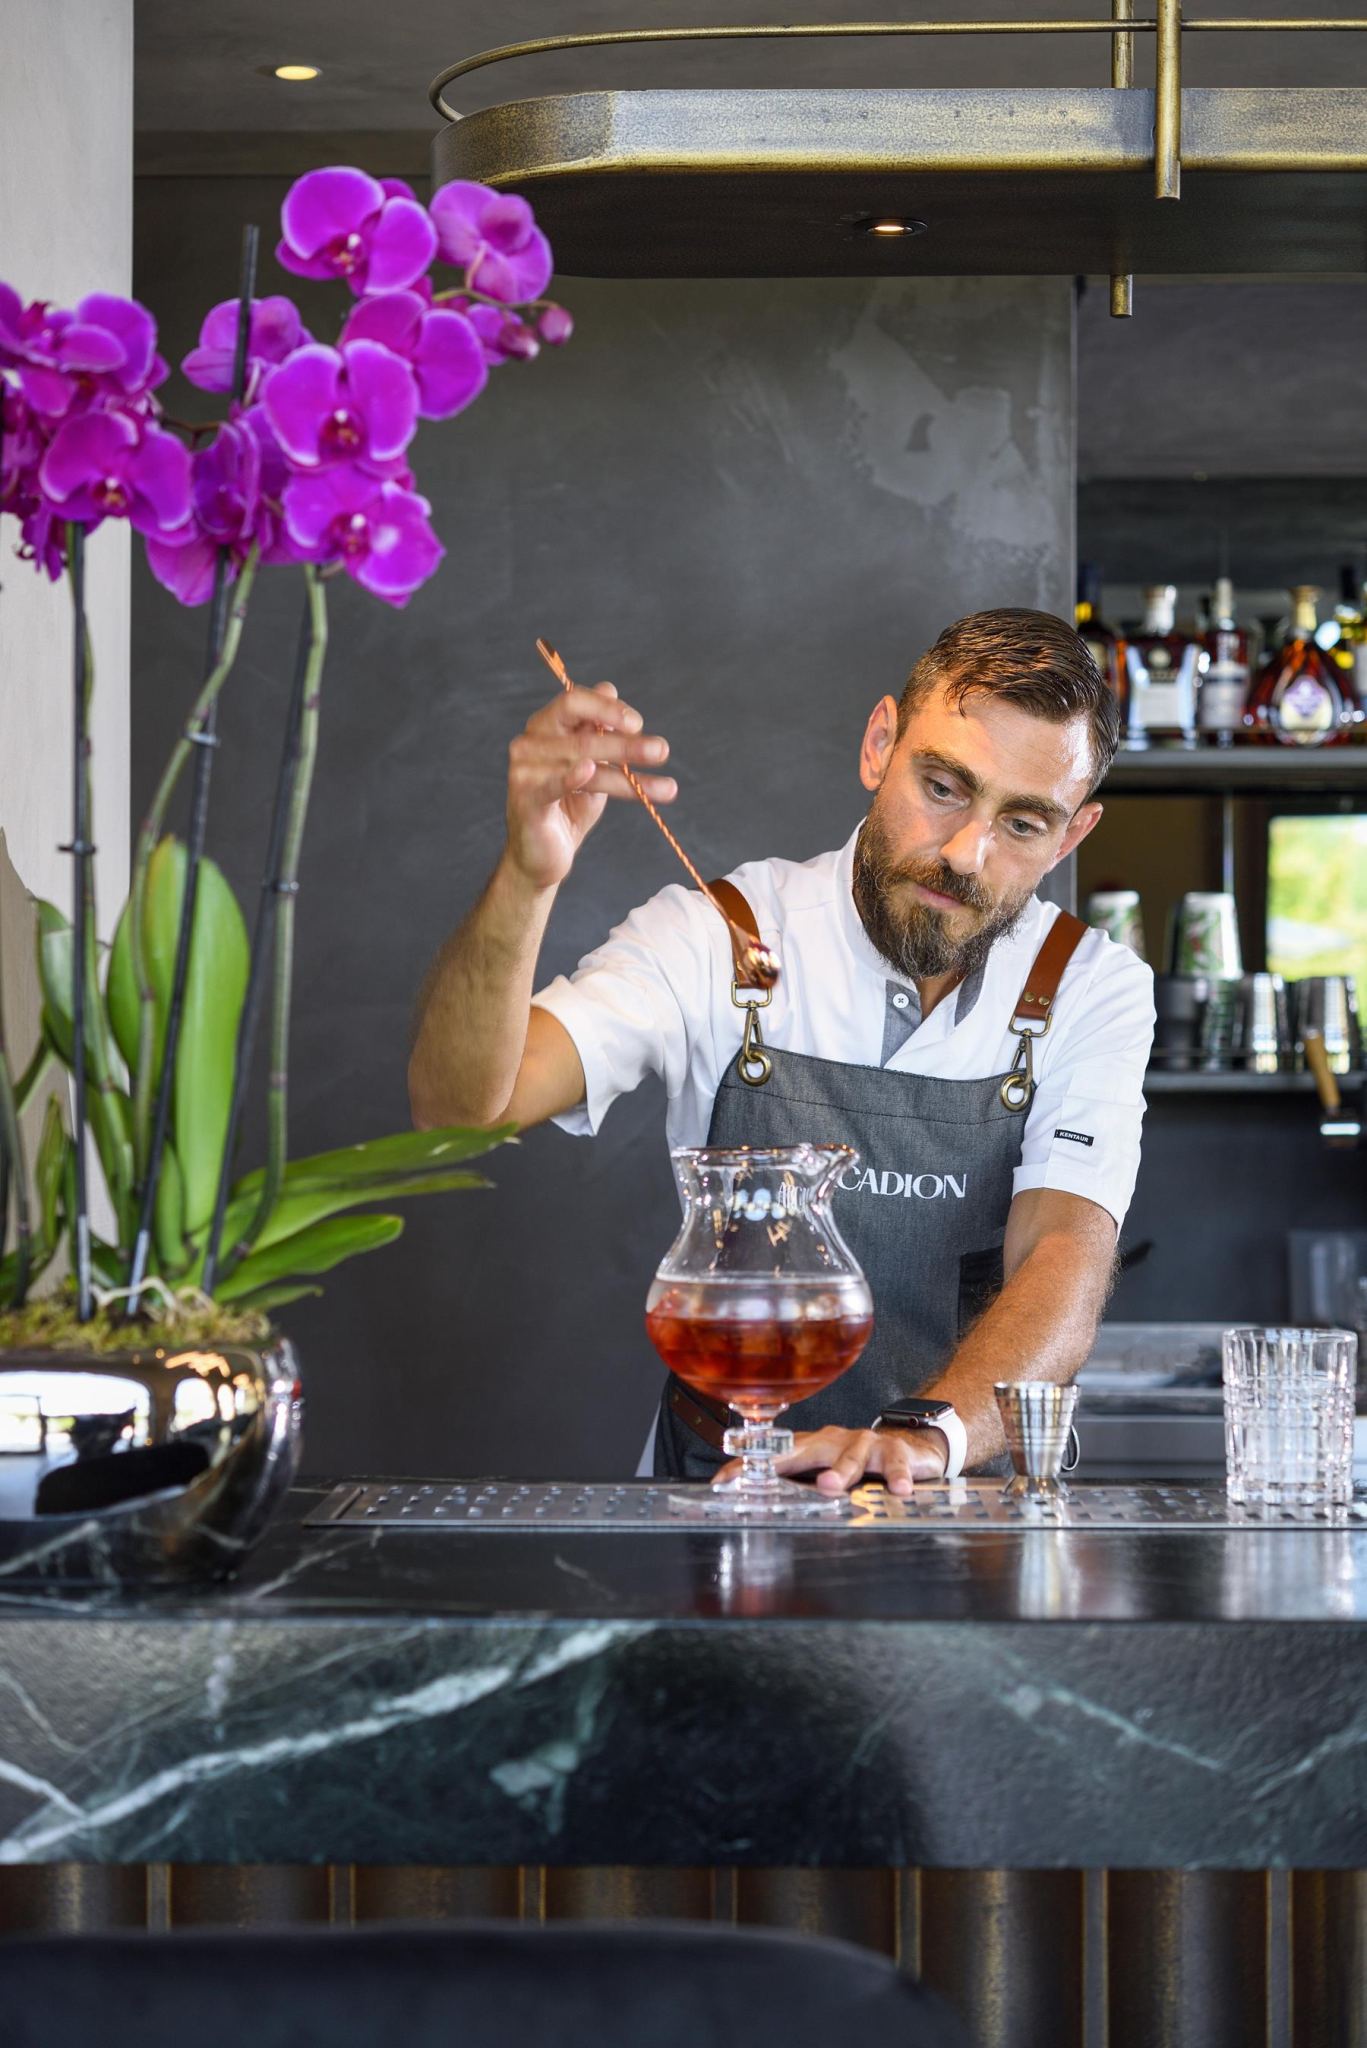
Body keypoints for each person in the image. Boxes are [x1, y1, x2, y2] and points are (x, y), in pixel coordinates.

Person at [409, 609, 1155, 1496]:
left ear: (1069, 837)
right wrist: (525, 878)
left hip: (959, 1491)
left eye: (1023, 824)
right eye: (943, 787)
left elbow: (1063, 1248)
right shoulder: (713, 935)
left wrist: (925, 1439)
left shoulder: (1089, 985)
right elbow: (461, 1109)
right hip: (720, 1486)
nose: (965, 853)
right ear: (878, 746)